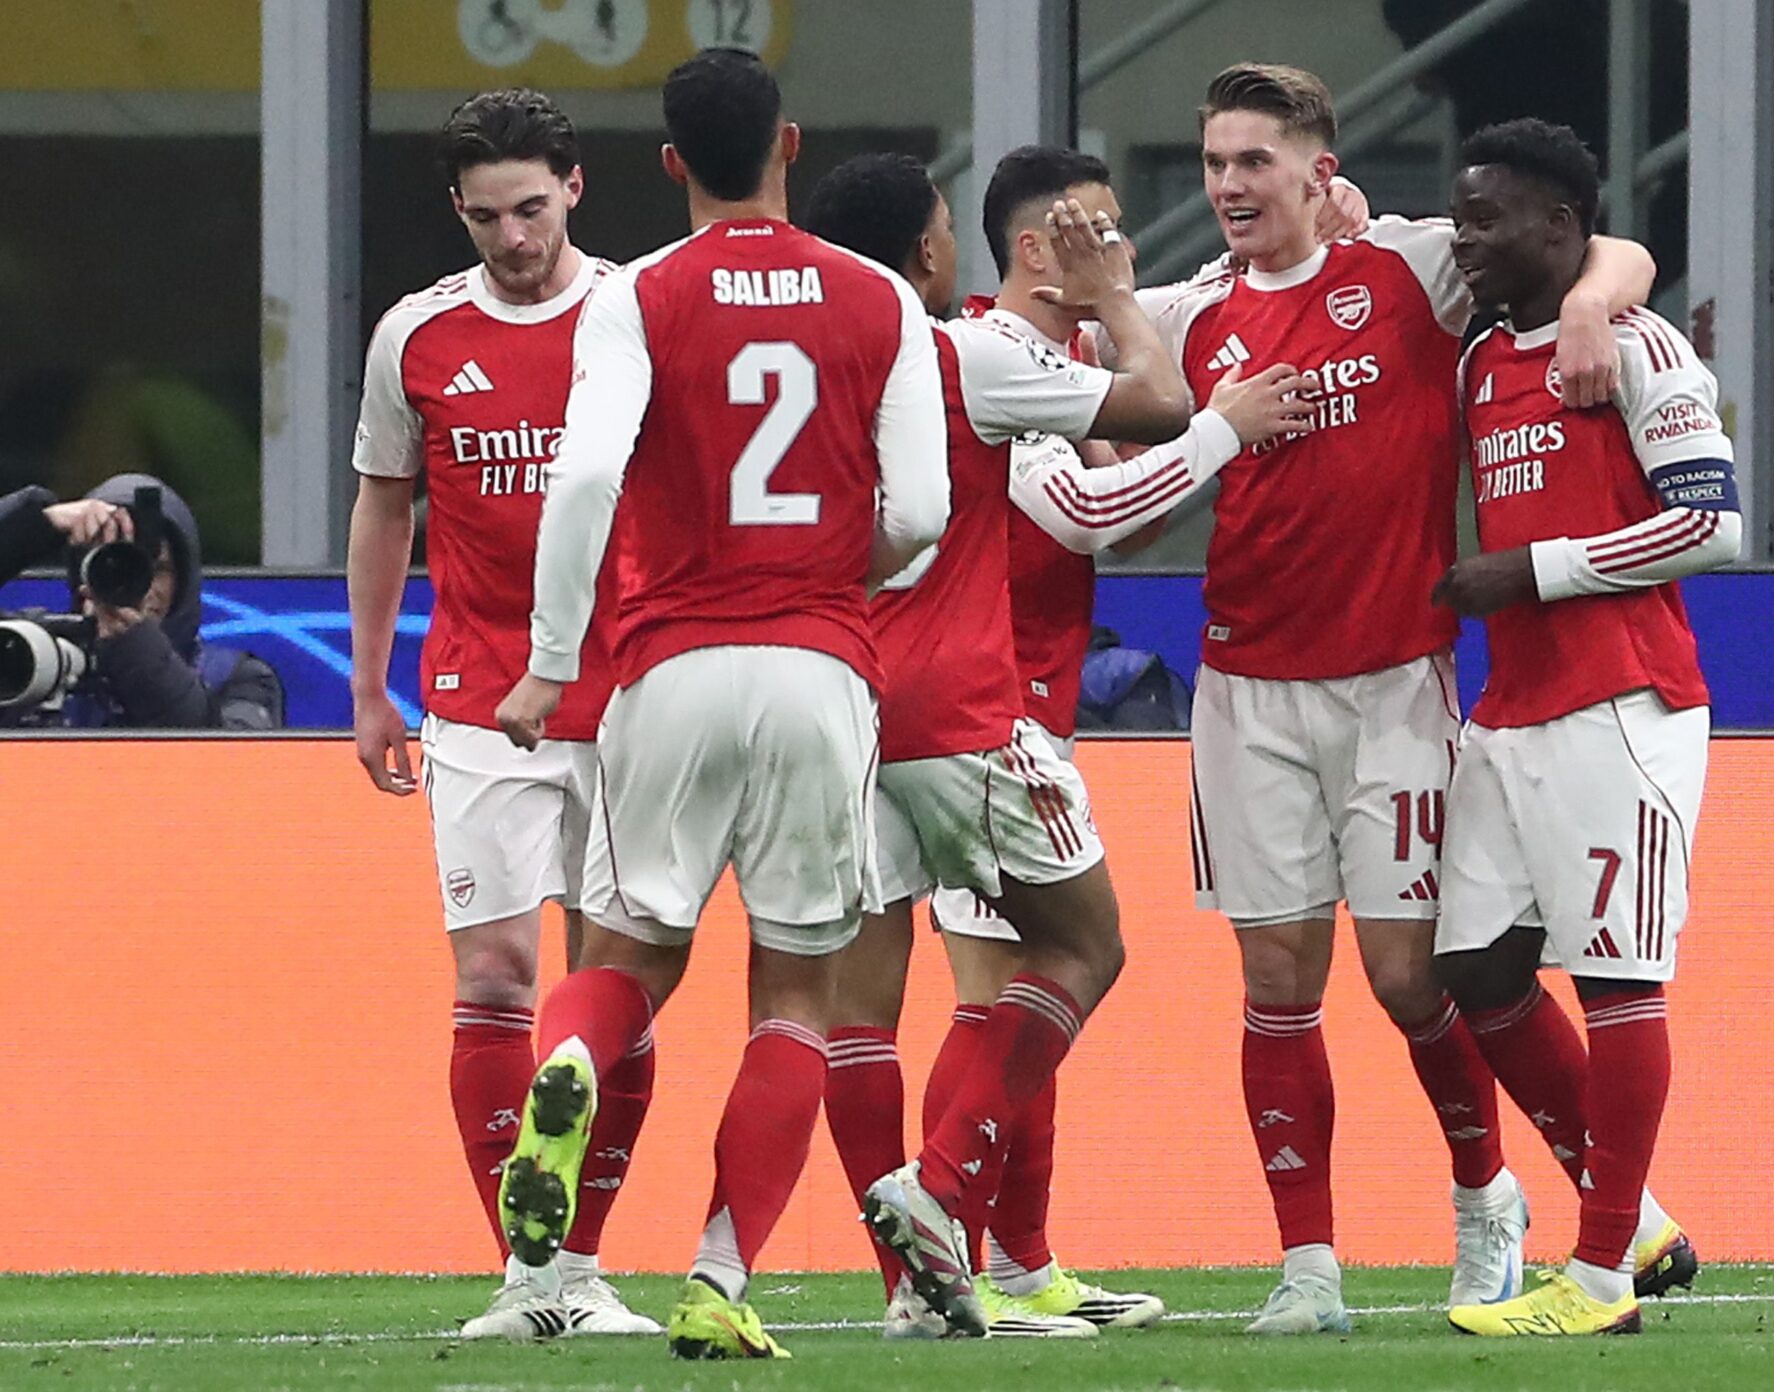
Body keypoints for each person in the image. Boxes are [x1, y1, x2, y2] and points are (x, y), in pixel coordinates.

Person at [1123, 63, 1662, 1333]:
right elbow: (1073, 353)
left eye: (1252, 161)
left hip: (1395, 685)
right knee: (1274, 980)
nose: (1227, 185)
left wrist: (1592, 306)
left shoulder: (1413, 267)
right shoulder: (1187, 314)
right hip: (1243, 688)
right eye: (1212, 163)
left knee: (1409, 978)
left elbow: (1612, 248)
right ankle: (1307, 1267)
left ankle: (1485, 1203)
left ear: (1319, 172)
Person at [489, 49, 949, 1361]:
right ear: (790, 145)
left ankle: (569, 1066)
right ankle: (718, 1280)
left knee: (626, 955)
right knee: (796, 996)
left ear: (671, 163)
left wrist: (550, 659)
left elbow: (584, 481)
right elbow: (921, 509)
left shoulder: (635, 296)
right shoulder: (877, 297)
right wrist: (835, 573)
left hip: (670, 666)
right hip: (820, 668)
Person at [803, 150, 1309, 1338]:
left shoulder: (896, 358)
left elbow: (1118, 474)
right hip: (976, 710)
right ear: (1035, 248)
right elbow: (1089, 512)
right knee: (1035, 973)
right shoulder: (984, 353)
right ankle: (949, 1226)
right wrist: (1220, 429)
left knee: (879, 1005)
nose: (1120, 250)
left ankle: (985, 1272)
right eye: (1102, 231)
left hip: (858, 702)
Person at [346, 88, 658, 1340]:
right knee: (492, 975)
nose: (514, 239)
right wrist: (368, 686)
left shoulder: (638, 315)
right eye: (486, 218)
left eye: (531, 209)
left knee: (614, 982)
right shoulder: (416, 335)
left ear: (574, 188)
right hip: (479, 702)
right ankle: (526, 1280)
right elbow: (384, 505)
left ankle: (582, 1267)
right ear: (457, 211)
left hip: (633, 701)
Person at [1429, 117, 1741, 1336]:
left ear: (1560, 227)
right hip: (1509, 708)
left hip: (1622, 702)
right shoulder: (1479, 356)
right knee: (1475, 969)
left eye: (1486, 218)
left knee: (1616, 978)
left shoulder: (1638, 346)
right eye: (1457, 217)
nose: (1463, 238)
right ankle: (1640, 1221)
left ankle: (1602, 1278)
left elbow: (1708, 523)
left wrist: (1535, 570)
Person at [0, 474, 281, 729]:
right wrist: (36, 524)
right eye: (111, 567)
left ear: (183, 580)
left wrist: (135, 647)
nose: (140, 588)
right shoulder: (25, 654)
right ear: (81, 575)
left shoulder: (237, 678)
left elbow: (231, 761)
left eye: (157, 570)